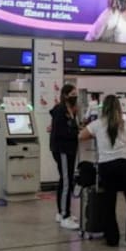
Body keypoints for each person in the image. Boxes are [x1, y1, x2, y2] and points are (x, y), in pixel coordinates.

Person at [79, 95, 126, 247]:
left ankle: (112, 238)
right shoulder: (125, 124)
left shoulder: (97, 124)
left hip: (106, 166)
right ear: (119, 108)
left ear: (103, 108)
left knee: (109, 202)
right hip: (125, 165)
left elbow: (81, 136)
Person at [49, 84, 80, 230]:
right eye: (73, 94)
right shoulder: (60, 110)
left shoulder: (72, 110)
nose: (75, 96)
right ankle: (65, 215)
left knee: (64, 180)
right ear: (66, 95)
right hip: (63, 149)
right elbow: (62, 132)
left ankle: (61, 212)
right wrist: (78, 134)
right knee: (67, 181)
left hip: (70, 149)